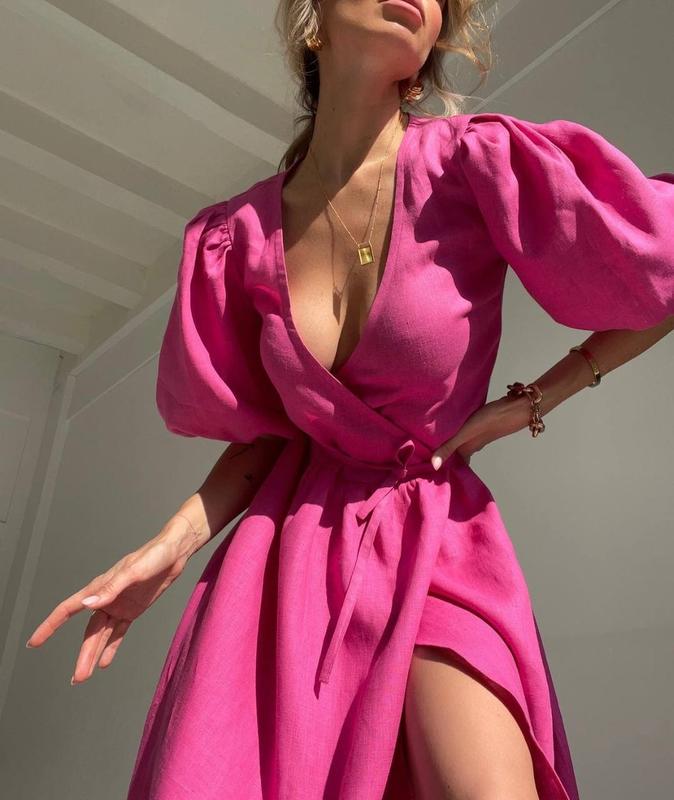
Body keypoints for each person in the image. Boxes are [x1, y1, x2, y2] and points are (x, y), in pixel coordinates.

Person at [26, 1, 674, 798]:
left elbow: (661, 271)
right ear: (313, 19)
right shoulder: (238, 238)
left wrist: (539, 396)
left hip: (438, 540)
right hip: (288, 564)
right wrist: (172, 543)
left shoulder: (475, 163)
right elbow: (274, 437)